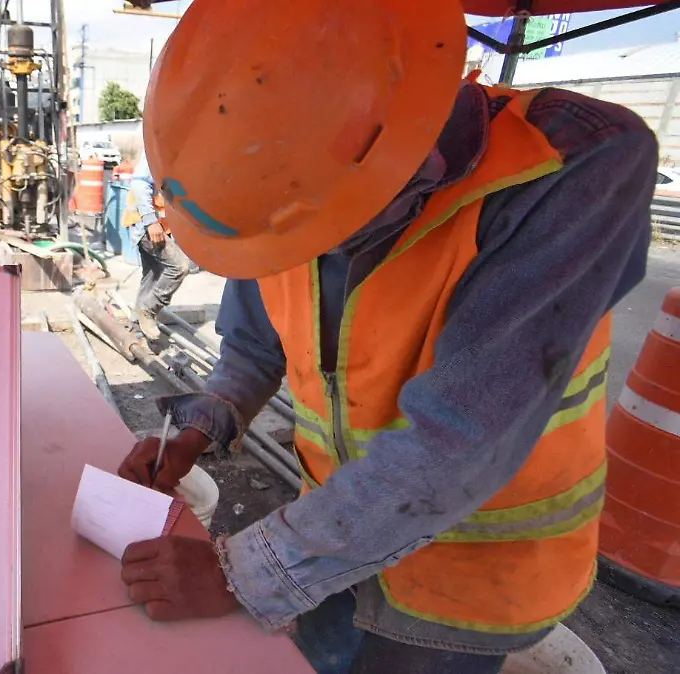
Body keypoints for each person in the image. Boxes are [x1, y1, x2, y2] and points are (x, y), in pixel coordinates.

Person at [115, 2, 656, 673]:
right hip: (326, 536)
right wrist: (198, 425)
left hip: (468, 584)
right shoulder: (274, 190)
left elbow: (459, 441)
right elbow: (255, 349)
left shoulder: (571, 162)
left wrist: (240, 574)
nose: (295, 249)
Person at [124, 152, 189, 339]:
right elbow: (139, 183)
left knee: (152, 276)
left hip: (154, 224)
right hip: (146, 224)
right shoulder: (160, 150)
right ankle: (148, 310)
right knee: (179, 267)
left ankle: (137, 329)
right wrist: (151, 221)